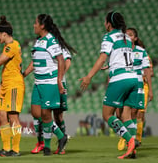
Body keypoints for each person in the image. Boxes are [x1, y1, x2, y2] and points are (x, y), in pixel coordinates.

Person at [79, 11, 138, 159]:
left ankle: (130, 140)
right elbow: (125, 56)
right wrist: (112, 64)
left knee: (107, 115)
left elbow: (102, 58)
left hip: (120, 79)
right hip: (133, 78)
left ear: (109, 24)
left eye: (105, 22)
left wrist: (89, 76)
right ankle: (133, 150)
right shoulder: (127, 37)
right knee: (126, 114)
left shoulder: (109, 37)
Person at [23, 14, 68, 156]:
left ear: (42, 25)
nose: (34, 25)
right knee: (36, 113)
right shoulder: (38, 41)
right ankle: (61, 136)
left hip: (49, 82)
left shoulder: (51, 41)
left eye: (35, 23)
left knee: (45, 114)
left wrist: (59, 81)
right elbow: (34, 62)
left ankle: (47, 147)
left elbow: (61, 60)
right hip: (38, 83)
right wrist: (24, 74)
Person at [0, 16, 25, 157]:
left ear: (4, 34)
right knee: (2, 115)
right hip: (6, 85)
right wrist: (0, 85)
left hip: (14, 85)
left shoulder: (12, 46)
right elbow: (7, 68)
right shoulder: (7, 47)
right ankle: (5, 148)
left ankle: (15, 150)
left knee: (13, 117)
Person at [117, 28, 153, 152]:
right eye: (126, 35)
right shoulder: (121, 52)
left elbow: (148, 71)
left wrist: (151, 89)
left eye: (130, 35)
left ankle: (133, 139)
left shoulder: (141, 52)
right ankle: (127, 136)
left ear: (135, 38)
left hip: (138, 84)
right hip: (124, 83)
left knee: (136, 112)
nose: (128, 37)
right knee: (120, 113)